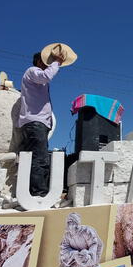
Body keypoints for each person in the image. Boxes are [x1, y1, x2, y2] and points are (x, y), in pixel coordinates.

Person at [18, 43, 76, 196]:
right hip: (35, 123)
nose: (48, 65)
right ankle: (39, 194)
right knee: (40, 159)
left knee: (33, 158)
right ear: (38, 62)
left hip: (36, 123)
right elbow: (47, 76)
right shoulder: (33, 71)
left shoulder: (34, 79)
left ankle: (31, 193)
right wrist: (57, 61)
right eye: (46, 62)